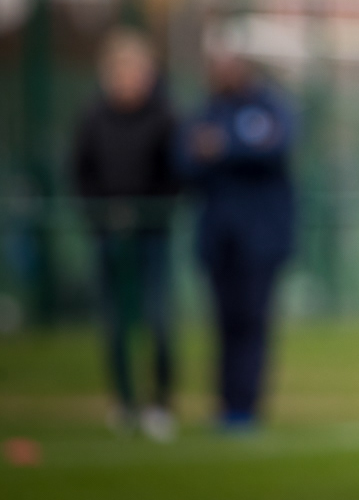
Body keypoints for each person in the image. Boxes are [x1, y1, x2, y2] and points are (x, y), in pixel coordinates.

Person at [70, 27, 180, 441]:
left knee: (157, 320)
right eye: (121, 70)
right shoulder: (93, 116)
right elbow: (81, 172)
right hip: (108, 232)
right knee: (115, 324)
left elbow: (176, 173)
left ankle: (160, 401)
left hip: (152, 232)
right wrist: (102, 213)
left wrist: (150, 209)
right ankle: (123, 400)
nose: (128, 78)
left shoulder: (165, 115)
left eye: (135, 70)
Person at [178, 48, 295, 432]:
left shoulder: (268, 107)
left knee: (252, 321)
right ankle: (226, 403)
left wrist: (222, 147)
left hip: (261, 240)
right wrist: (213, 150)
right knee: (223, 323)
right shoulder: (206, 111)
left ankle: (247, 406)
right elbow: (184, 160)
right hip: (218, 239)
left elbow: (273, 148)